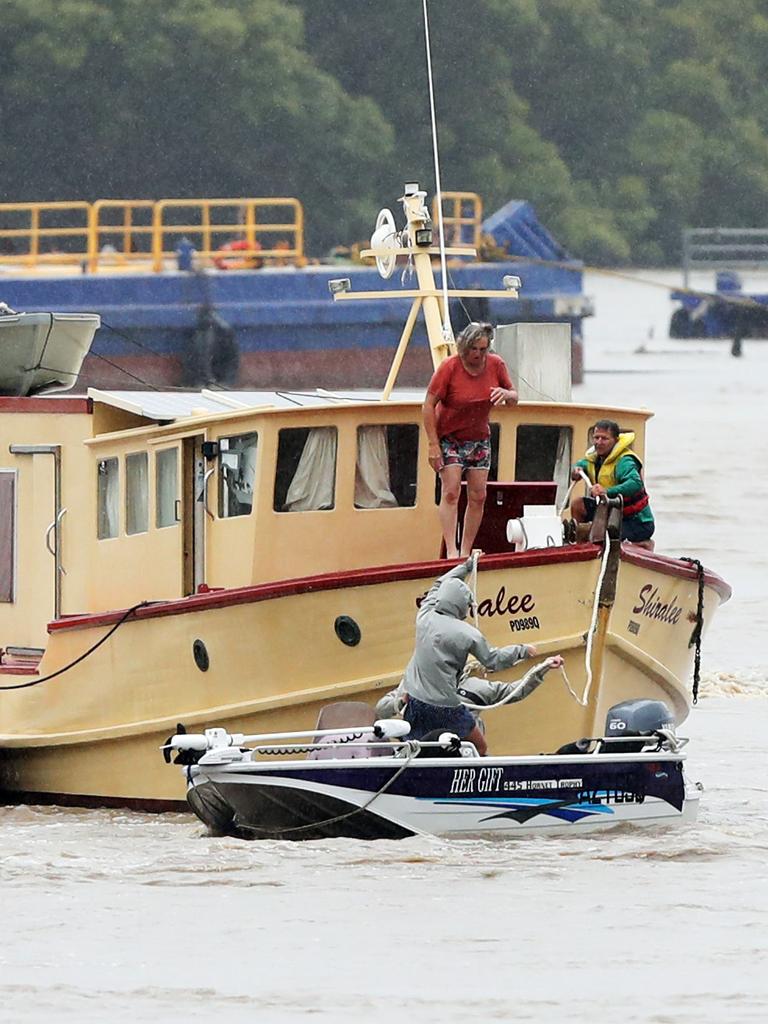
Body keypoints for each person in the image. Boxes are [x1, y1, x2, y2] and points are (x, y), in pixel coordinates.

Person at [399, 556, 559, 756]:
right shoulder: (467, 634)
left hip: (415, 701)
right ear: (463, 606)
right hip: (444, 706)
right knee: (479, 747)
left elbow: (439, 583)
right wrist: (522, 650)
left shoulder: (424, 615)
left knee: (417, 748)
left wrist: (465, 567)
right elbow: (493, 659)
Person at [423, 322, 518, 558]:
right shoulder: (449, 368)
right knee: (451, 491)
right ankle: (452, 550)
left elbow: (514, 397)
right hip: (450, 438)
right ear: (464, 347)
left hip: (478, 439)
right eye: (473, 349)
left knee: (478, 495)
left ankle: (466, 549)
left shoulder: (496, 365)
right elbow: (428, 405)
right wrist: (433, 444)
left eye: (483, 349)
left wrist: (506, 394)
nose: (477, 354)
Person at [570, 419, 655, 548]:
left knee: (601, 535)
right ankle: (580, 548)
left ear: (615, 440)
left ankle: (640, 545)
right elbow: (581, 464)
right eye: (596, 438)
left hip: (635, 521)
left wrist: (606, 491)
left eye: (604, 438)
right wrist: (576, 470)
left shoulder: (624, 461)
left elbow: (635, 483)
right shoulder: (594, 459)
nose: (599, 442)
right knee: (578, 505)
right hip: (609, 514)